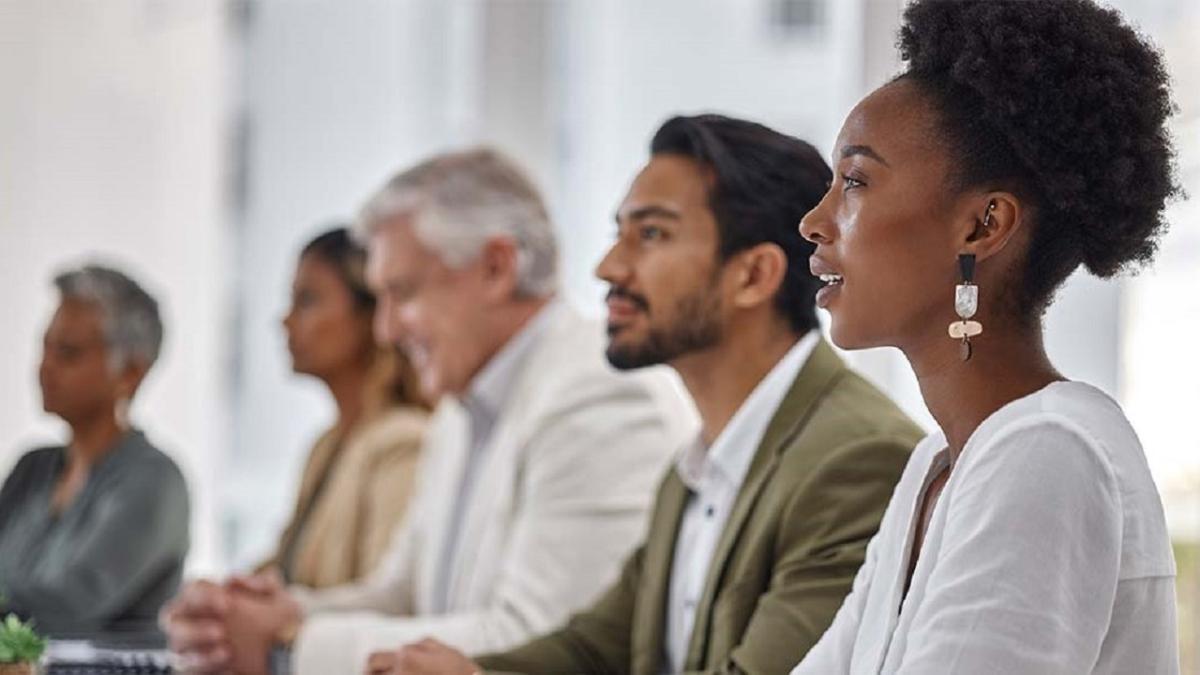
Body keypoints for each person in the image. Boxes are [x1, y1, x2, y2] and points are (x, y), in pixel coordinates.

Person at [364, 115, 922, 675]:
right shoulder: (692, 470)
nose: (608, 267)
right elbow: (592, 647)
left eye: (651, 234)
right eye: (618, 235)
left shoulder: (854, 459)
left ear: (753, 276)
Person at [162, 148, 696, 675]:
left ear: (495, 267)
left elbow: (538, 642)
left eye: (404, 293)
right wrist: (285, 614)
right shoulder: (463, 408)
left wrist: (289, 648)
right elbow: (404, 595)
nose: (386, 330)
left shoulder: (600, 396)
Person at [786, 1, 1180, 673]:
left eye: (854, 181)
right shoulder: (937, 467)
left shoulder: (1049, 451)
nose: (813, 221)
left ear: (982, 226)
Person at [0, 264, 189, 635]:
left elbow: (67, 608)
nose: (45, 366)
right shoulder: (32, 469)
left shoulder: (154, 481)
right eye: (45, 347)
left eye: (68, 353)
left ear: (131, 372)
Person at [260, 226, 430, 589]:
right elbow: (282, 574)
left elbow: (383, 599)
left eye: (307, 301)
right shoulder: (327, 446)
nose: (285, 321)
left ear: (371, 317)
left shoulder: (404, 446)